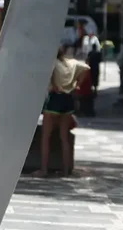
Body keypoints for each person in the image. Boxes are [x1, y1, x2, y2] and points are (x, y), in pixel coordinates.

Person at [34, 45, 90, 177]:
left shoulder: (52, 64)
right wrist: (77, 84)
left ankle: (44, 169)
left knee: (46, 136)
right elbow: (87, 68)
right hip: (68, 100)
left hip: (54, 99)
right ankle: (65, 170)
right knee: (64, 137)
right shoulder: (72, 64)